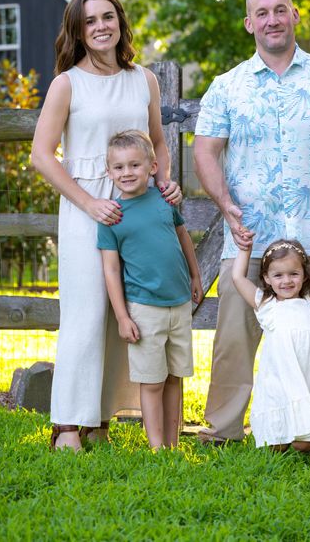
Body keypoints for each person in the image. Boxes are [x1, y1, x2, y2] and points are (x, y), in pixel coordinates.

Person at [194, 0, 310, 453]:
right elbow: (205, 151)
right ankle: (224, 430)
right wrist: (225, 205)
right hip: (249, 237)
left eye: (280, 10)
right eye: (262, 13)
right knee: (234, 339)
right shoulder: (226, 87)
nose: (272, 20)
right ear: (249, 23)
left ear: (294, 15)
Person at [31, 0, 181, 451]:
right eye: (90, 20)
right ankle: (67, 426)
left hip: (138, 208)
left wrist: (163, 183)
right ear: (78, 31)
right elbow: (41, 155)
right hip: (87, 207)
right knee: (86, 311)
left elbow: (158, 142)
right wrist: (89, 203)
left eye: (108, 16)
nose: (101, 26)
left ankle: (100, 417)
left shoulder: (144, 80)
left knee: (128, 309)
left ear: (120, 22)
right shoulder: (67, 84)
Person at [98, 130, 204, 449]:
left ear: (152, 167)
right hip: (144, 309)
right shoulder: (112, 216)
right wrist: (122, 317)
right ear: (109, 172)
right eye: (119, 167)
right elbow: (111, 270)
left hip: (179, 304)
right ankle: (157, 448)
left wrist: (195, 276)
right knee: (153, 381)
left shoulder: (164, 201)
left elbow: (183, 238)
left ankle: (172, 446)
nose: (127, 172)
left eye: (135, 165)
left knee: (174, 378)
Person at [232, 232, 310, 453]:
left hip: (308, 376)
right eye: (278, 275)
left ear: (304, 275)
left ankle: (309, 440)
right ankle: (280, 437)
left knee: (304, 443)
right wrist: (245, 249)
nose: (286, 281)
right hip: (279, 377)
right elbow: (237, 278)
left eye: (293, 274)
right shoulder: (266, 304)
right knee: (276, 443)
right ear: (266, 278)